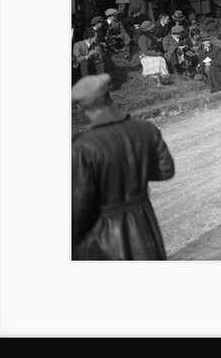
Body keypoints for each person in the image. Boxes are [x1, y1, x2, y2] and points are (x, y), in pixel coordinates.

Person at [71, 74, 175, 260]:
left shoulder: (83, 146)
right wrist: (136, 169)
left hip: (104, 234)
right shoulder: (146, 128)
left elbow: (81, 204)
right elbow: (166, 170)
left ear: (80, 107)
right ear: (109, 95)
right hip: (144, 222)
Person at [136, 20, 172, 84]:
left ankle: (164, 76)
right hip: (145, 55)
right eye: (150, 28)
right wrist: (157, 54)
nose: (152, 29)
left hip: (153, 53)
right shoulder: (142, 38)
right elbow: (145, 51)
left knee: (161, 59)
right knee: (157, 61)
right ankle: (156, 76)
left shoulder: (152, 36)